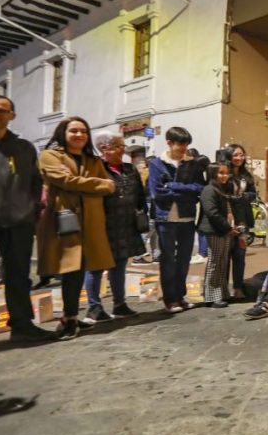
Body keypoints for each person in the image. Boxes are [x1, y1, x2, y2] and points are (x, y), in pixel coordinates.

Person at [0, 94, 57, 341]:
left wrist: (32, 207)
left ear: (11, 116)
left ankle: (22, 325)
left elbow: (35, 182)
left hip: (19, 223)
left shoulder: (23, 147)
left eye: (1, 111)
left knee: (19, 276)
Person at [37, 117, 116, 340]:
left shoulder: (92, 159)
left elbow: (110, 186)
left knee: (81, 268)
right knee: (70, 269)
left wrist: (87, 183)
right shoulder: (49, 156)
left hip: (91, 221)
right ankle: (69, 318)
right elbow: (65, 181)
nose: (79, 135)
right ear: (63, 133)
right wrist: (97, 184)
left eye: (83, 131)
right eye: (74, 131)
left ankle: (71, 314)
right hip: (64, 219)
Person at [83, 132, 145, 322]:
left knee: (119, 266)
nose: (123, 149)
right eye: (118, 146)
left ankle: (120, 304)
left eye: (123, 145)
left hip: (125, 224)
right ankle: (94, 307)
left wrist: (140, 213)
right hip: (102, 225)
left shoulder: (129, 169)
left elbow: (140, 194)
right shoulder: (95, 168)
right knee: (95, 267)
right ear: (104, 149)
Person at [148, 127, 206, 314]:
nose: (184, 148)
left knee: (183, 259)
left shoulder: (192, 164)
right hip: (165, 218)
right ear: (169, 142)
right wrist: (184, 191)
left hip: (186, 217)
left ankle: (180, 296)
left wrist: (174, 186)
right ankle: (170, 299)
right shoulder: (157, 164)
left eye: (186, 144)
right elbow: (158, 193)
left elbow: (199, 189)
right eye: (180, 144)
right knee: (167, 259)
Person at [198, 163, 238, 308]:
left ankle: (221, 293)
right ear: (213, 174)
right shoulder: (209, 190)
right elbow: (212, 212)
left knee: (222, 262)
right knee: (214, 263)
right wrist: (228, 227)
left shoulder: (221, 189)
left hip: (224, 231)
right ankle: (211, 296)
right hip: (215, 230)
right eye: (220, 173)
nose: (224, 176)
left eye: (226, 173)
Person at [224, 144, 256, 299]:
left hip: (243, 219)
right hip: (227, 218)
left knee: (240, 255)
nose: (239, 158)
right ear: (229, 156)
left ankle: (238, 287)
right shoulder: (223, 173)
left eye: (242, 155)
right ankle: (223, 288)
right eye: (236, 155)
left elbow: (253, 194)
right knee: (224, 256)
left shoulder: (246, 175)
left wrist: (243, 197)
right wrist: (232, 199)